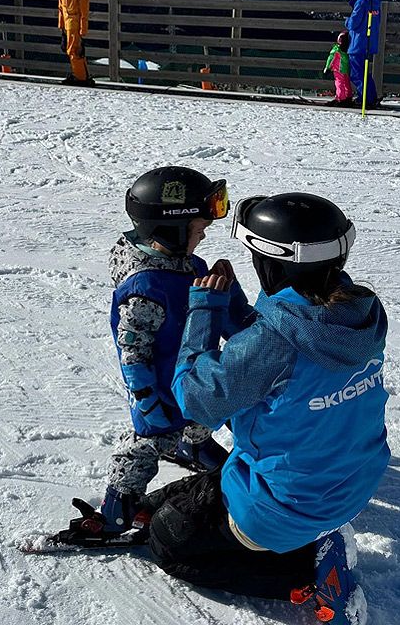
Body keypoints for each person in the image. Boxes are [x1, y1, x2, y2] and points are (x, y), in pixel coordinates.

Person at [141, 192, 390, 625]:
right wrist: (236, 302)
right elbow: (281, 348)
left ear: (272, 261)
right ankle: (313, 539)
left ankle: (306, 577)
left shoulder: (273, 342)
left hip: (285, 507)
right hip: (350, 482)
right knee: (181, 500)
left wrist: (203, 311)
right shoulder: (361, 312)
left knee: (166, 540)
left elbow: (195, 398)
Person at [52, 166, 255, 544]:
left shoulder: (188, 266)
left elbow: (227, 321)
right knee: (143, 449)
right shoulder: (145, 289)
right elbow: (133, 352)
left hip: (193, 376)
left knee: (201, 415)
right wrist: (146, 398)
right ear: (171, 230)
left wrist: (230, 293)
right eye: (198, 229)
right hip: (161, 390)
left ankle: (196, 446)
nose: (204, 234)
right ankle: (115, 512)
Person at [345, 0, 382, 108]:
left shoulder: (361, 1)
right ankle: (371, 97)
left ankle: (364, 99)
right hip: (370, 42)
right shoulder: (375, 1)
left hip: (358, 42)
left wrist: (347, 21)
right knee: (365, 72)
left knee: (356, 73)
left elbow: (354, 23)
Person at [57, 0, 94, 87]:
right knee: (72, 50)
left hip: (75, 21)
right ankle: (81, 75)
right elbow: (61, 6)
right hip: (67, 21)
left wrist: (83, 29)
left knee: (74, 50)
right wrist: (61, 25)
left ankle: (80, 77)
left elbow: (84, 10)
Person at [323, 30, 353, 106]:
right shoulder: (347, 50)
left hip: (338, 69)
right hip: (345, 69)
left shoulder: (336, 49)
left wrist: (327, 67)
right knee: (346, 82)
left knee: (339, 83)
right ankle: (348, 96)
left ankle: (340, 98)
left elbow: (331, 58)